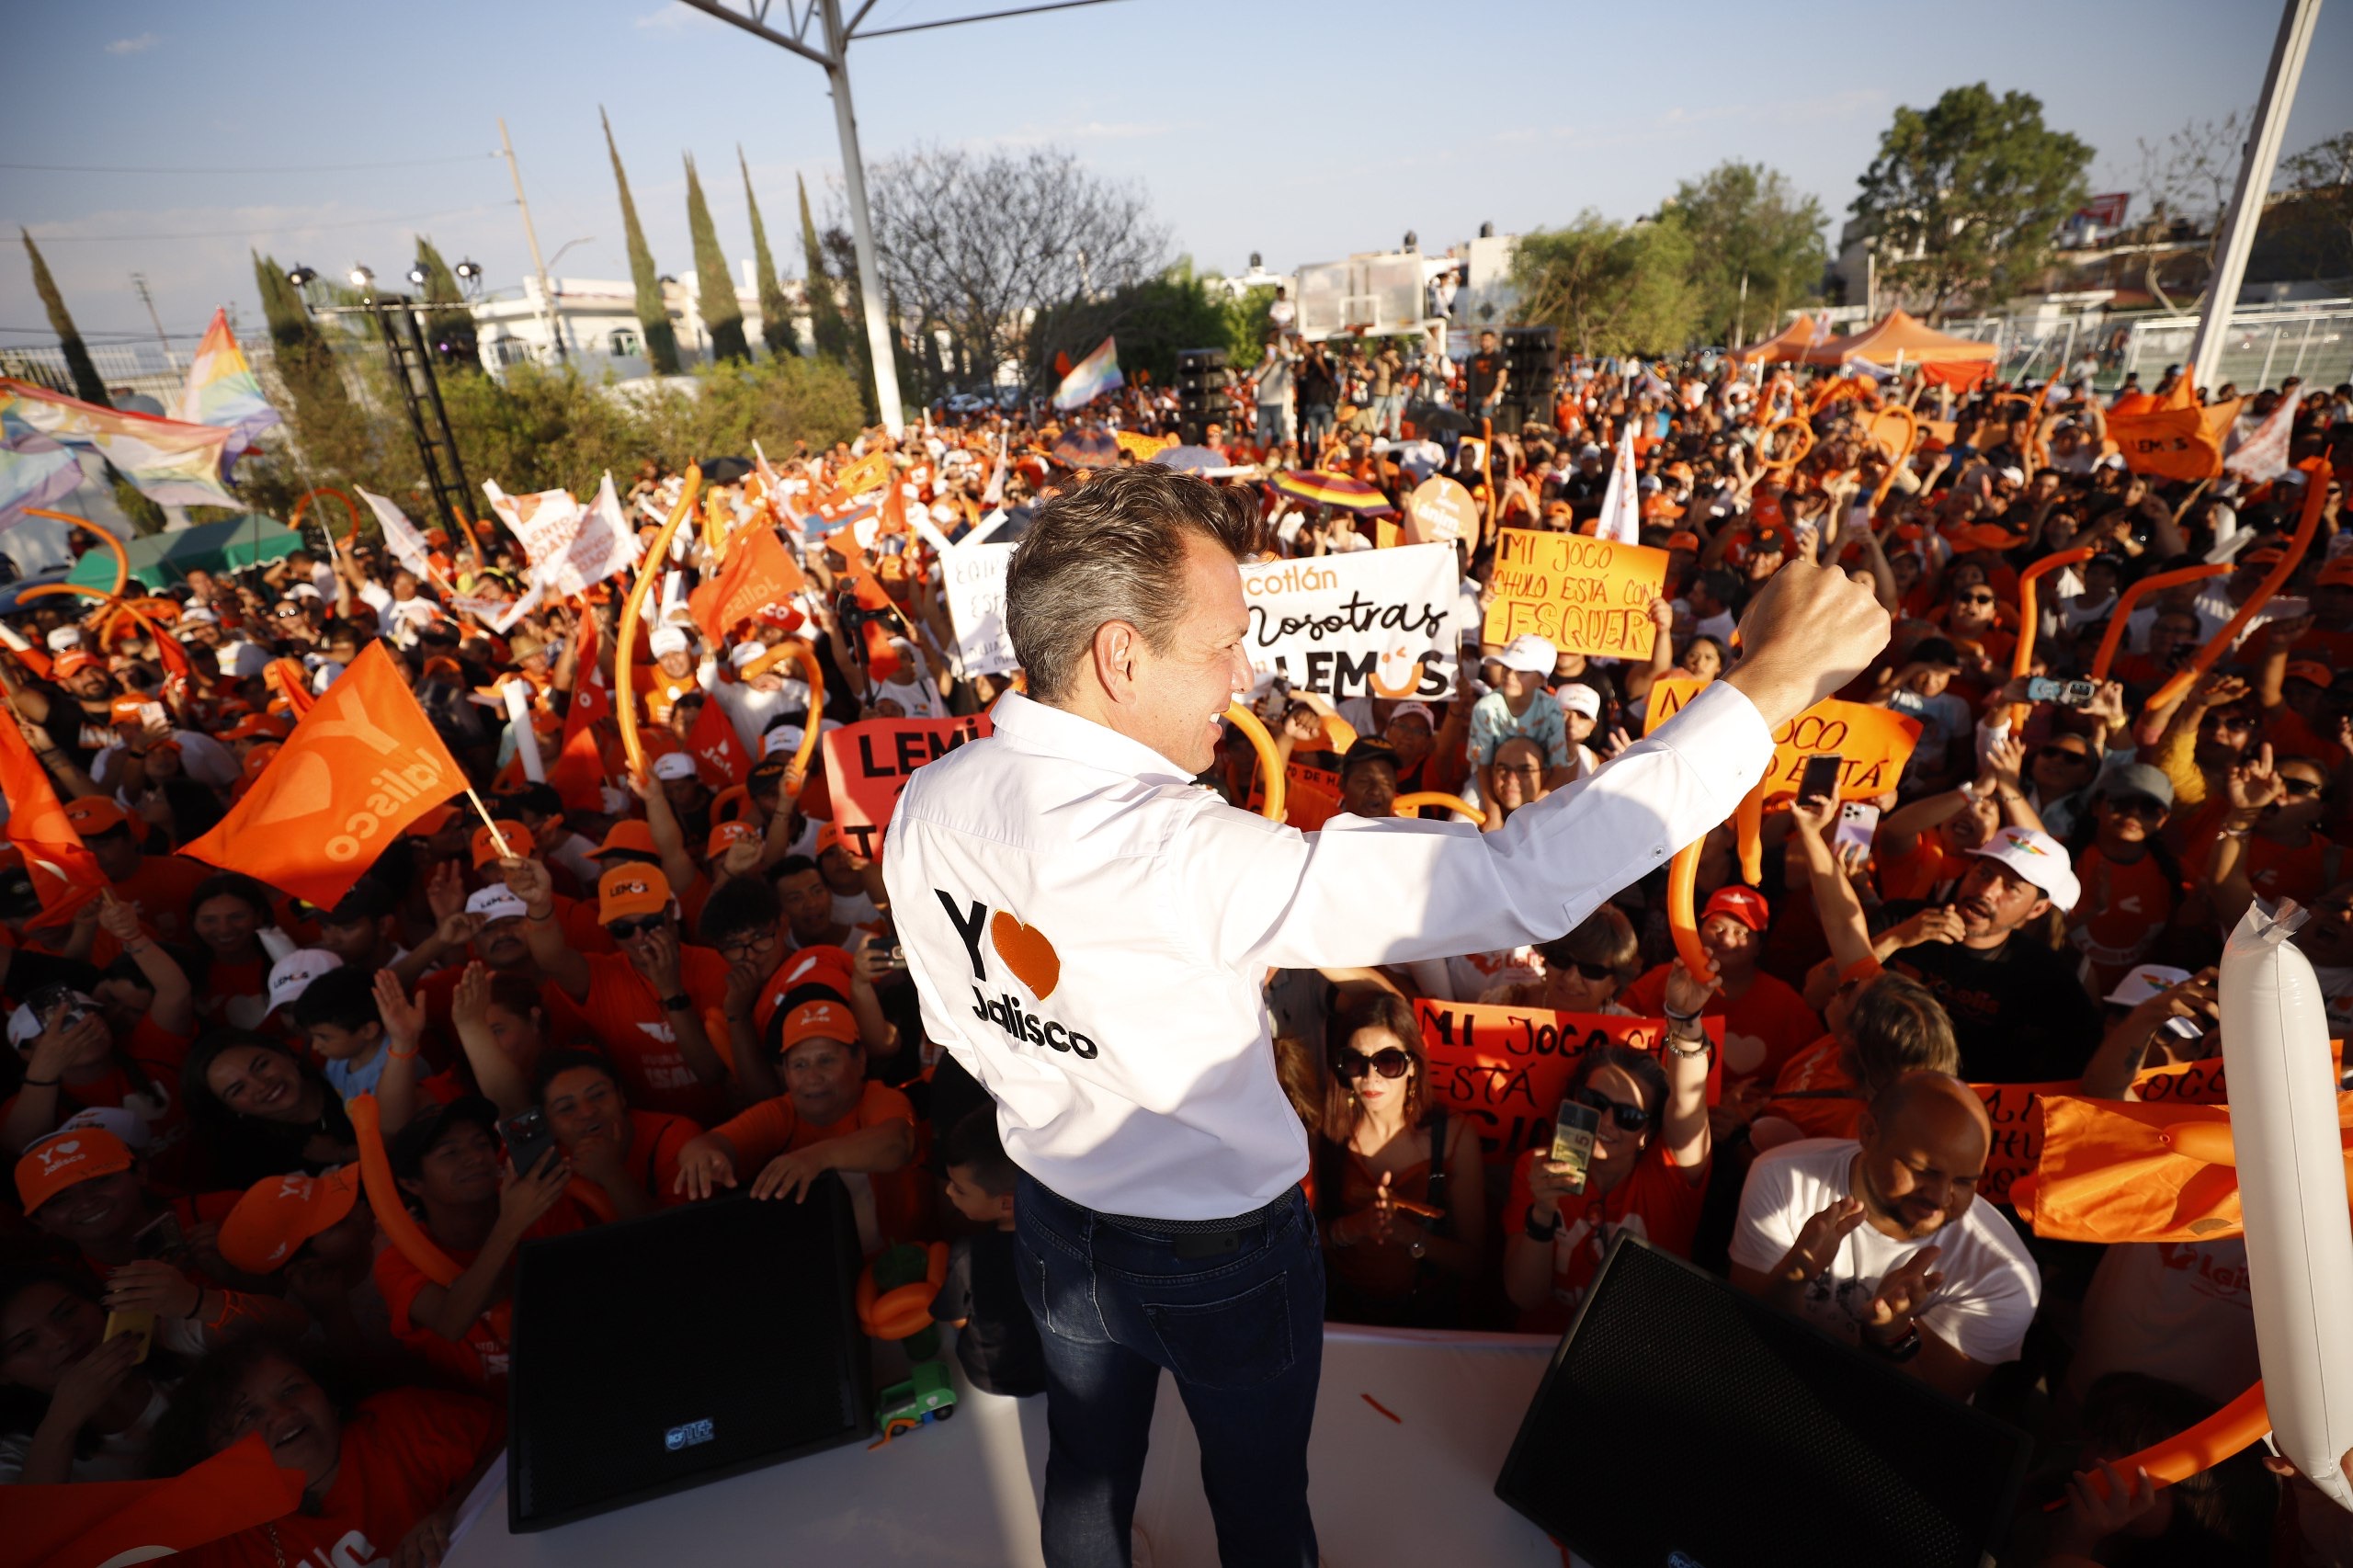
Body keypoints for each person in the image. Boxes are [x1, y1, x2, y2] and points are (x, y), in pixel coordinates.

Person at [882, 464, 1888, 1564]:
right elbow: (1517, 882)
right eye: (1222, 643)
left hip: (1052, 1218)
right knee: (1259, 1498)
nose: (1246, 671)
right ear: (1119, 653)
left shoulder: (930, 799)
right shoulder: (1183, 853)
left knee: (1083, 1463)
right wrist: (1772, 681)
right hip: (1221, 1255)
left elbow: (960, 1022)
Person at [1729, 1071, 2040, 1402]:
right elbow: (1747, 1341)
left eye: (1965, 1181)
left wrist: (1891, 1336)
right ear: (1868, 1132)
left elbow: (1921, 1413)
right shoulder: (1781, 1177)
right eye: (1924, 1170)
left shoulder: (2004, 1274)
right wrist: (1793, 1277)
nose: (1939, 1197)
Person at [154, 1339, 503, 1568]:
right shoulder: (218, 1545)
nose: (283, 1414)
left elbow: (520, 1443)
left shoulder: (402, 1423)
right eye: (248, 1415)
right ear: (216, 1459)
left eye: (292, 1389)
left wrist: (456, 1508)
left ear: (328, 1396)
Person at [1502, 960, 1714, 1333]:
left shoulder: (1671, 1173)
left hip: (1643, 1351)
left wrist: (1684, 1019)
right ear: (1573, 1100)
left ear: (1648, 1132)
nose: (1607, 1122)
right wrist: (1542, 1211)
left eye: (1629, 1116)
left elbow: (1688, 1102)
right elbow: (1525, 1297)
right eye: (1594, 1103)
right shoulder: (1537, 1169)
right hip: (1543, 1350)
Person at [1875, 825, 2104, 1083]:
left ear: (2038, 909)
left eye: (2011, 887)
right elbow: (1823, 988)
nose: (1986, 892)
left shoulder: (2046, 975)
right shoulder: (1900, 918)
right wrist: (1893, 941)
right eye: (1984, 873)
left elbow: (2084, 1063)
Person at [1313, 992, 1483, 1327]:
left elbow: (1476, 1262)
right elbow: (1298, 1240)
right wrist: (1355, 1227)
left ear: (1413, 1066)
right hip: (1339, 1316)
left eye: (1388, 1061)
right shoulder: (1326, 1133)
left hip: (1426, 1320)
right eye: (1356, 1062)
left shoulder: (1454, 1137)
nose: (1371, 1077)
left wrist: (1407, 1235)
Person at [931, 1107, 1047, 1397]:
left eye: (959, 1189)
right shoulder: (1066, 1242)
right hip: (1052, 1371)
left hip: (992, 1376)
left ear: (1006, 1204)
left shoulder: (968, 1256)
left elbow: (955, 1319)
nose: (949, 1193)